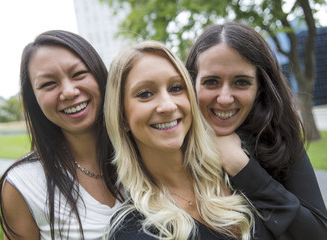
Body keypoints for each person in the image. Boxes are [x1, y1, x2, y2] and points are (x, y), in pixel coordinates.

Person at [104, 40, 274, 239]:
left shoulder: (240, 165)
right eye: (145, 94)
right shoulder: (130, 230)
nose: (168, 106)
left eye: (176, 88)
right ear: (122, 117)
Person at [185, 22, 327, 239]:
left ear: (259, 87)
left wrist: (242, 167)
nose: (224, 98)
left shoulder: (278, 138)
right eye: (211, 82)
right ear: (192, 83)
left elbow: (317, 233)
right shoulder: (173, 150)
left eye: (241, 82)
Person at [0, 30, 123, 240]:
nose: (69, 91)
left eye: (78, 74)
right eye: (48, 84)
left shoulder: (146, 154)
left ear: (99, 74)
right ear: (34, 100)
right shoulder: (23, 184)